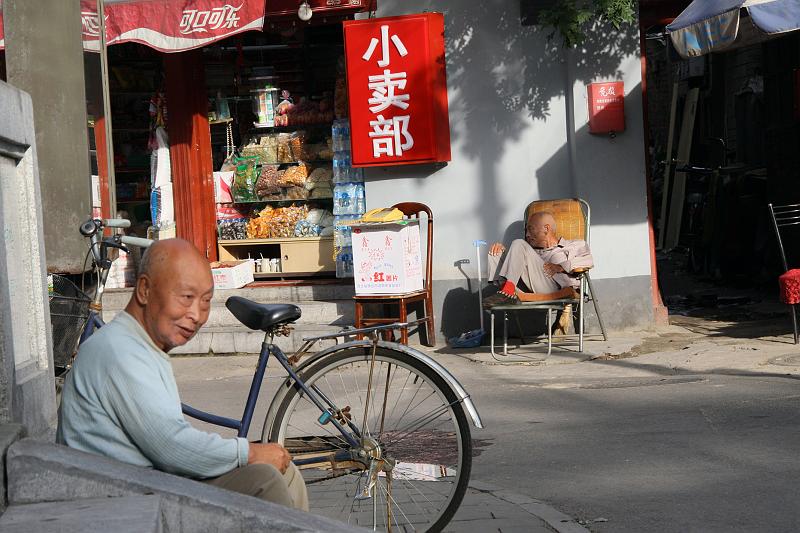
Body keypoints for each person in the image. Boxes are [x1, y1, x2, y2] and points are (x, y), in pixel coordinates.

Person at [57, 238, 308, 511]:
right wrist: (248, 452)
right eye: (186, 297)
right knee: (264, 479)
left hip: (144, 485)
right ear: (144, 290)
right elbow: (170, 446)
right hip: (117, 502)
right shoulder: (119, 350)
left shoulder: (140, 344)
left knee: (282, 472)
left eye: (206, 301)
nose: (197, 315)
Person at [483, 211, 593, 309]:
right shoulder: (529, 251)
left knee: (518, 243)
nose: (527, 235)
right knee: (495, 251)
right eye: (526, 231)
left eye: (531, 229)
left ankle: (507, 292)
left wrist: (561, 266)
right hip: (527, 287)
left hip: (555, 288)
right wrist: (503, 251)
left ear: (546, 228)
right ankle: (506, 292)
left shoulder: (574, 245)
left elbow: (588, 260)